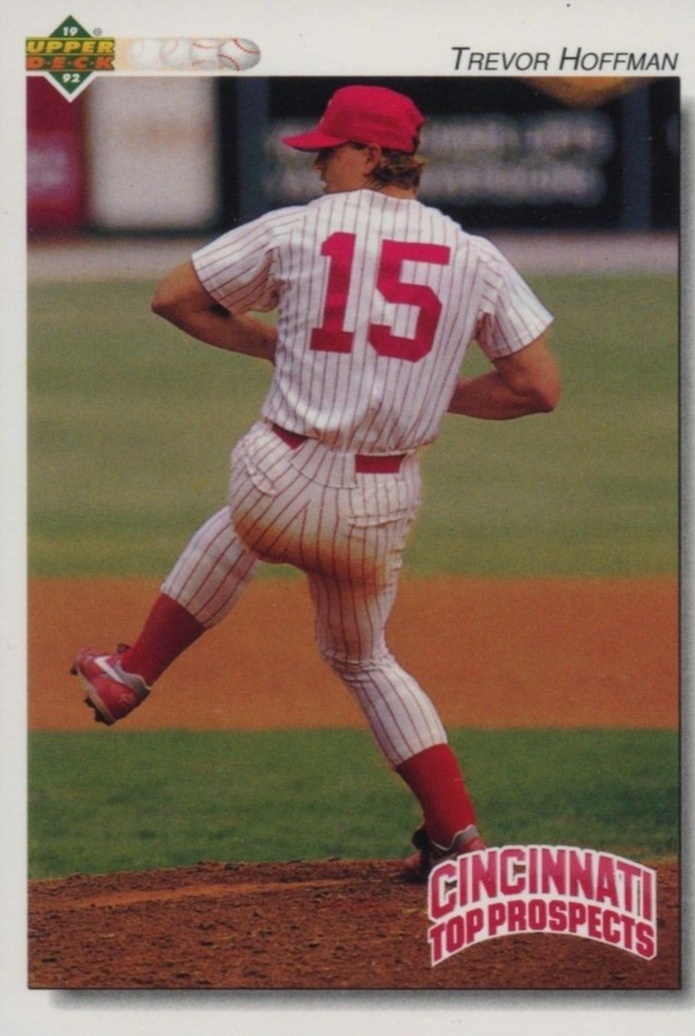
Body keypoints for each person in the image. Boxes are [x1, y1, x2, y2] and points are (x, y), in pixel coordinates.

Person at [72, 84, 560, 881]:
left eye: (328, 153)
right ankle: (458, 837)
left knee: (246, 520)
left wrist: (271, 346)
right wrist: (445, 393)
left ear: (371, 156)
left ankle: (131, 672)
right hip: (380, 504)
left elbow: (174, 299)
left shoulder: (301, 229)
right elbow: (538, 387)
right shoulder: (473, 254)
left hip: (282, 469)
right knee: (364, 660)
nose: (316, 168)